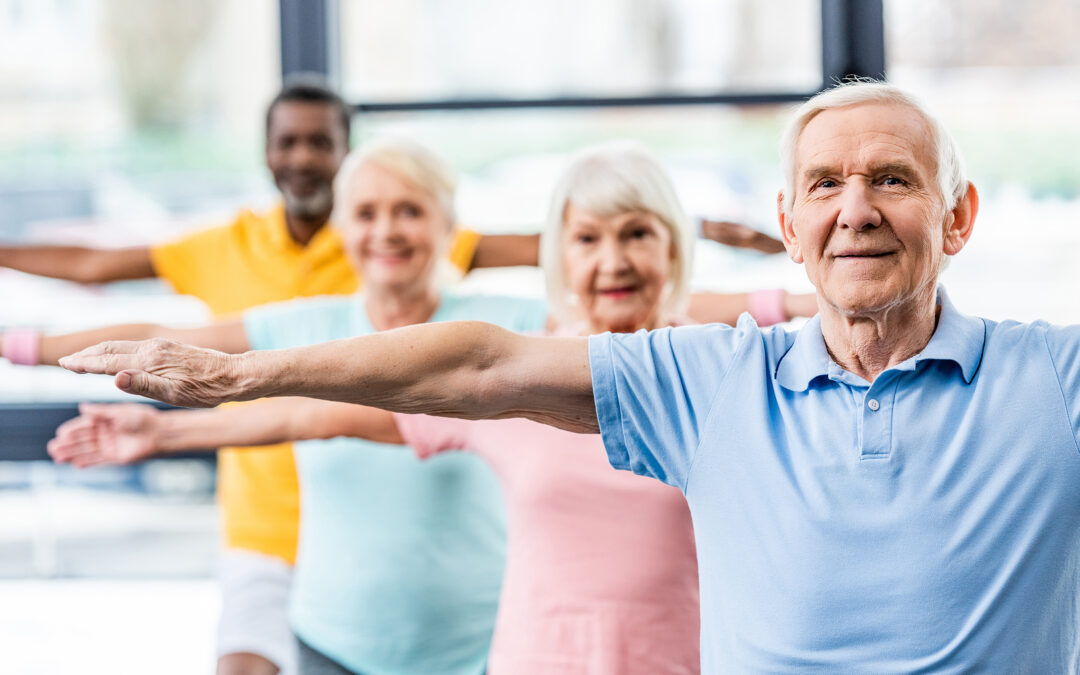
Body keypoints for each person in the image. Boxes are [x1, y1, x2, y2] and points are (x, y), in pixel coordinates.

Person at [58, 80, 1080, 672]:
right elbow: (473, 362)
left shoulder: (1053, 382)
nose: (854, 208)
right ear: (790, 225)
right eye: (826, 184)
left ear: (958, 219)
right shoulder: (710, 380)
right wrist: (224, 381)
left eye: (891, 180)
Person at [51, 143, 707, 673]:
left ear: (672, 245)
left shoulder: (709, 372)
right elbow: (312, 416)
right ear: (559, 257)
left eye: (637, 234)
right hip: (505, 655)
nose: (612, 260)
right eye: (587, 239)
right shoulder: (513, 374)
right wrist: (164, 431)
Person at [0, 77, 554, 675]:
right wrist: (26, 347)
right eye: (287, 141)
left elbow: (559, 252)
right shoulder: (254, 270)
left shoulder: (460, 290)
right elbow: (135, 303)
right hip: (287, 555)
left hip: (455, 608)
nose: (387, 228)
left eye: (321, 142)